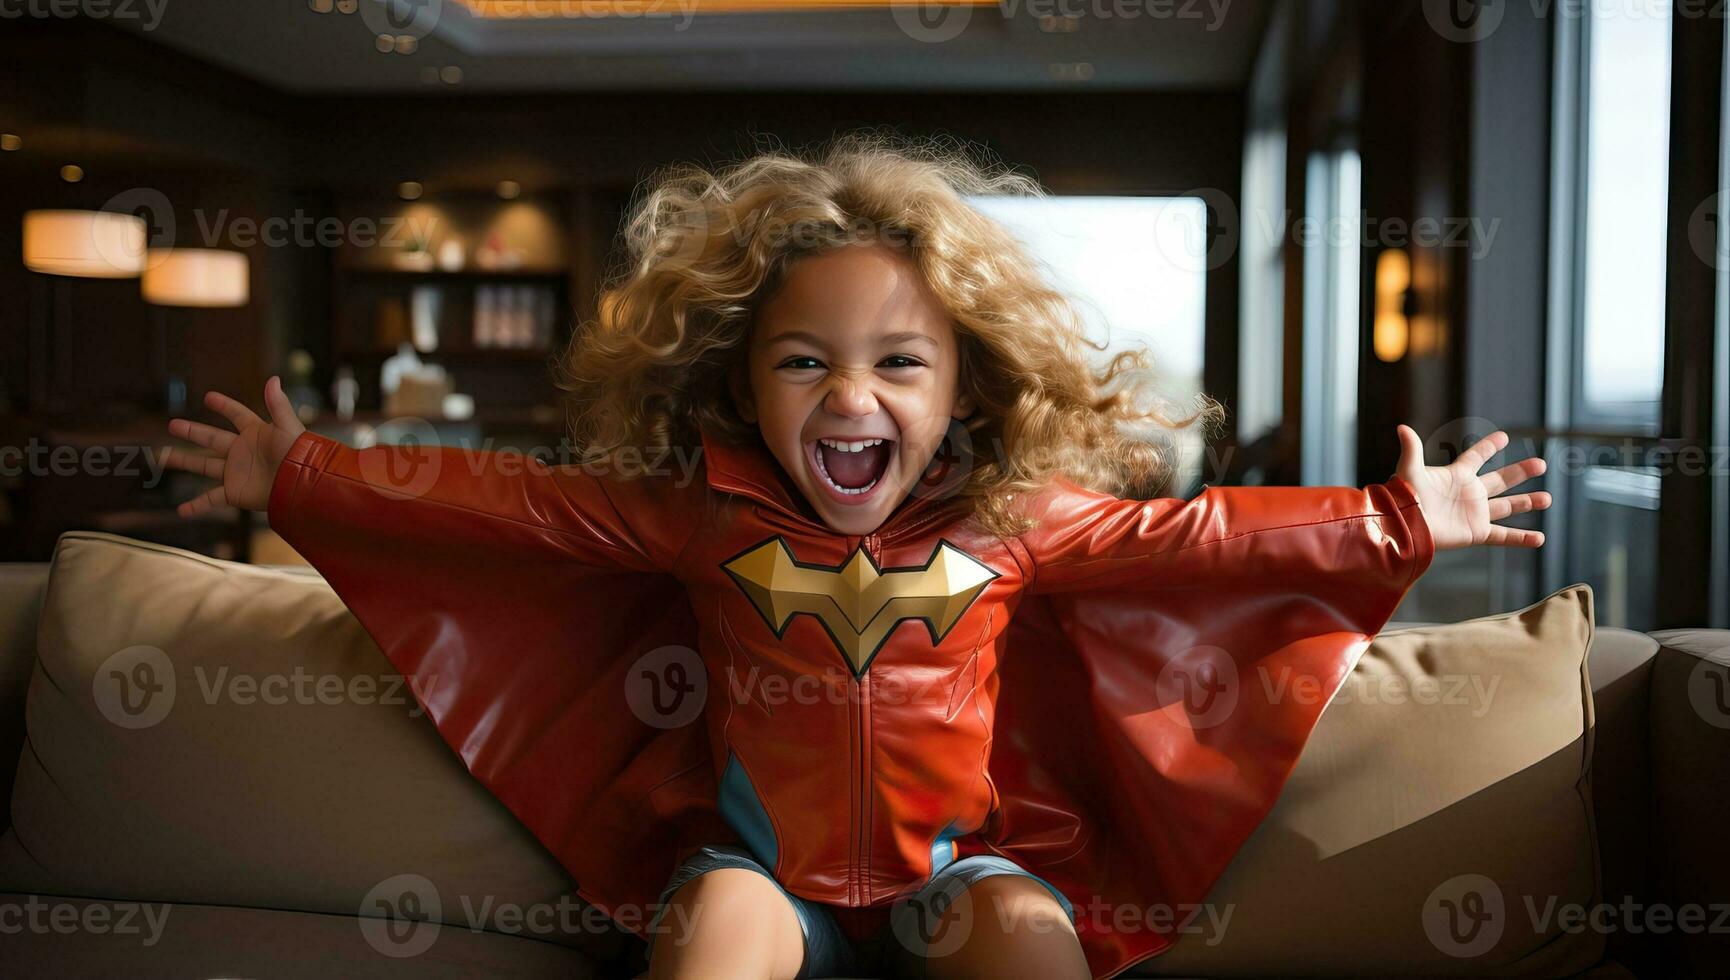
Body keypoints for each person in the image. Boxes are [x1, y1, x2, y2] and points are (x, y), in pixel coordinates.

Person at [165, 134, 1549, 980]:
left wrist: (1400, 521)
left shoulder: (1015, 521)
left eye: (898, 363)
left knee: (1030, 951)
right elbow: (506, 507)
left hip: (956, 878)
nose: (849, 398)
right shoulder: (693, 513)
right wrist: (298, 473)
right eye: (804, 362)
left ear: (965, 388)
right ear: (737, 384)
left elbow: (1191, 536)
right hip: (755, 882)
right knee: (714, 951)